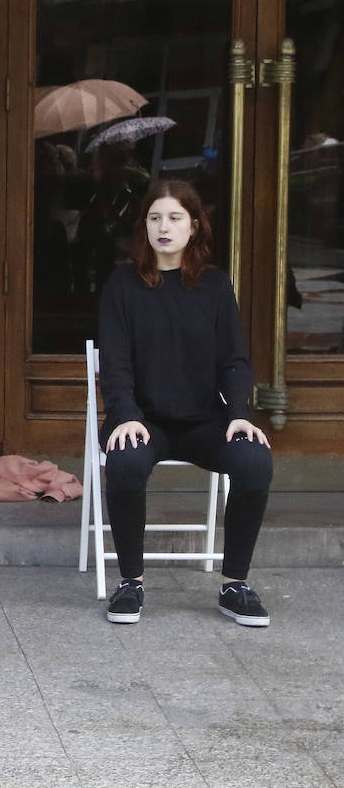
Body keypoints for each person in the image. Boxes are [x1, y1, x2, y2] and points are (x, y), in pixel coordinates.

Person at [97, 178, 273, 628]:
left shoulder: (213, 286)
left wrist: (239, 415)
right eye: (155, 217)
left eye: (175, 218)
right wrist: (126, 416)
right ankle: (130, 583)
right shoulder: (122, 284)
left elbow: (234, 359)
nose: (164, 227)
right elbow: (114, 363)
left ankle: (235, 585)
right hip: (144, 420)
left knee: (254, 461)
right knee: (126, 462)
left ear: (193, 226)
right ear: (144, 226)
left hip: (202, 421)